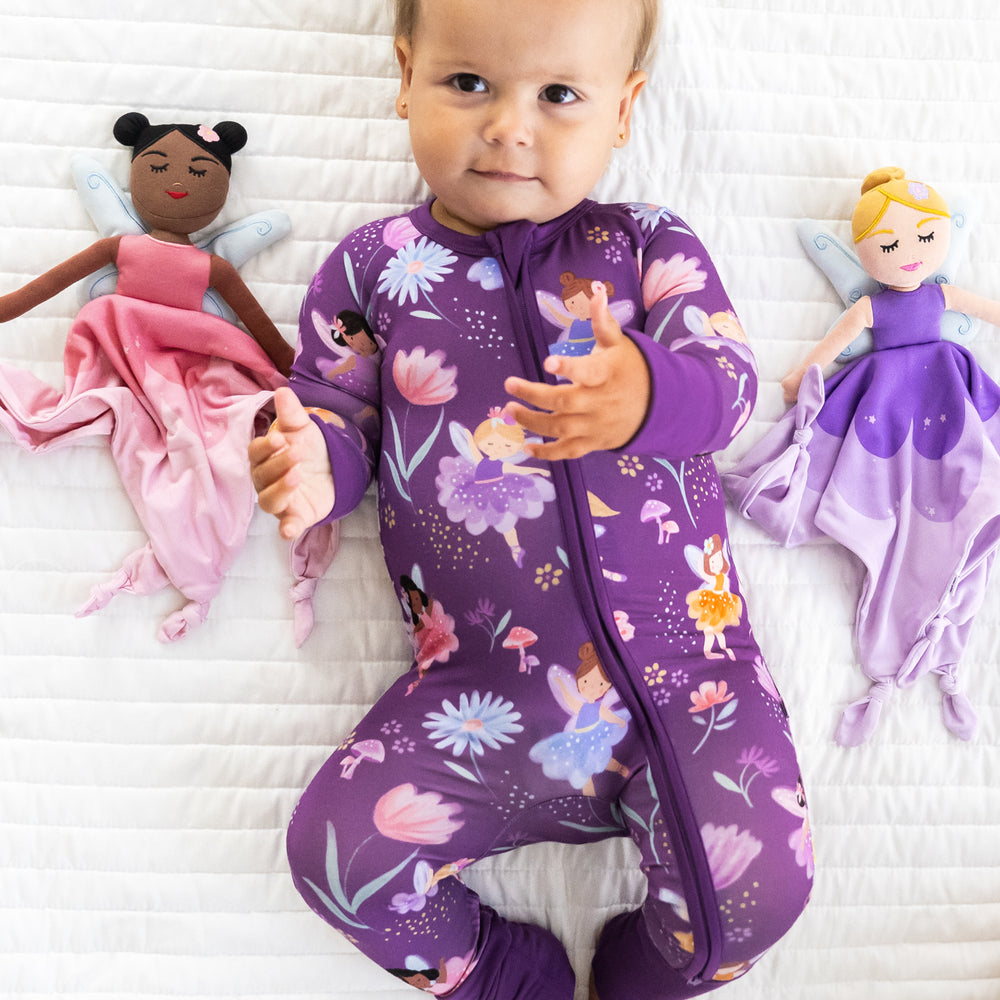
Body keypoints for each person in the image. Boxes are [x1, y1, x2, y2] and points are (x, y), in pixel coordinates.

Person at [249, 1, 813, 996]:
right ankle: (509, 974)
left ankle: (651, 969)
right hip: (480, 699)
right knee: (335, 858)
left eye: (559, 95)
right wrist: (309, 465)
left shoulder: (644, 246)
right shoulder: (372, 271)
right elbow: (336, 413)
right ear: (405, 73)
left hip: (691, 685)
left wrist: (646, 391)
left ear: (624, 108)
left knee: (759, 898)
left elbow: (725, 386)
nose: (511, 125)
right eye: (469, 84)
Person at [725, 167, 1000, 746]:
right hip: (882, 405)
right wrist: (807, 372)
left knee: (962, 491)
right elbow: (834, 341)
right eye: (892, 244)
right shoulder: (872, 306)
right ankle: (899, 671)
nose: (909, 254)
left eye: (924, 239)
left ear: (944, 237)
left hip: (951, 391)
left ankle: (944, 665)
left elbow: (988, 307)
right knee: (889, 506)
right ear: (865, 250)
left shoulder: (942, 295)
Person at [0, 112, 293, 641]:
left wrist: (295, 370)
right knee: (141, 422)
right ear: (136, 173)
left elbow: (258, 327)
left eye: (199, 174)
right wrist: (8, 308)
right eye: (157, 168)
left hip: (195, 353)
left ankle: (189, 561)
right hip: (122, 338)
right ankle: (188, 562)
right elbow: (51, 282)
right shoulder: (121, 248)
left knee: (206, 430)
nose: (177, 182)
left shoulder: (215, 268)